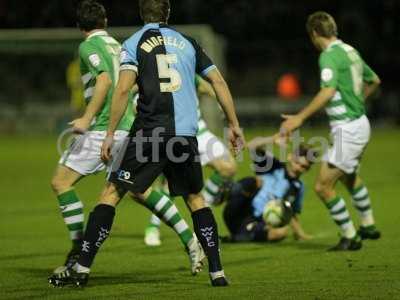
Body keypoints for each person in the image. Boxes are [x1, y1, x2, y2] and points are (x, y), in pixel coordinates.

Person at [49, 0, 244, 287]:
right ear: (168, 14)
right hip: (185, 136)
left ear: (142, 15)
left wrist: (111, 132)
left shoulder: (133, 42)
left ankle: (82, 268)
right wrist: (234, 125)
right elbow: (218, 82)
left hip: (149, 133)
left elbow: (124, 88)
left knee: (112, 191)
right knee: (195, 199)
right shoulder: (188, 42)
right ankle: (217, 272)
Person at [280, 11, 381, 251]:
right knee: (349, 176)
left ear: (314, 33)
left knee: (323, 186)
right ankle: (368, 225)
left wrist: (299, 118)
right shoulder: (350, 51)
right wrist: (357, 102)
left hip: (349, 129)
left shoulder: (329, 56)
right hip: (359, 124)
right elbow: (374, 80)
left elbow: (327, 91)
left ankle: (350, 236)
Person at [144, 75, 237, 246]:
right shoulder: (156, 71)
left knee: (229, 168)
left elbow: (205, 86)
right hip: (176, 133)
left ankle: (202, 213)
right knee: (169, 186)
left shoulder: (188, 70)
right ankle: (153, 227)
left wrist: (221, 104)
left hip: (200, 131)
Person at [222, 135, 314, 243]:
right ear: (290, 157)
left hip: (258, 222)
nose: (298, 168)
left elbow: (291, 212)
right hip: (238, 211)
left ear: (308, 169)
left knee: (281, 232)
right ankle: (222, 193)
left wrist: (300, 233)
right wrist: (273, 140)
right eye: (297, 162)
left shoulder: (298, 187)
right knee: (252, 181)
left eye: (303, 167)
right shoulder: (273, 166)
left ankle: (236, 237)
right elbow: (252, 146)